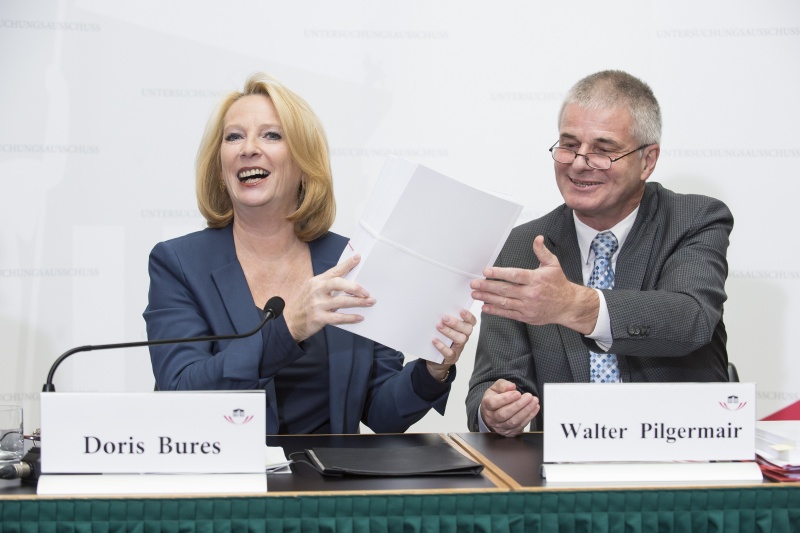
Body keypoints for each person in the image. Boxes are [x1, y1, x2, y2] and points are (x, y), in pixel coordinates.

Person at [144, 72, 476, 434]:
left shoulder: (351, 261)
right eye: (234, 136)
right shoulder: (179, 263)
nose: (248, 148)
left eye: (271, 135)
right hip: (230, 468)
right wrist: (288, 329)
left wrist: (432, 370)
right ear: (220, 167)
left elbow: (381, 412)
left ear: (304, 163)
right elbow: (182, 390)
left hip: (328, 470)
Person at [466, 70, 733, 436]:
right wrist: (494, 410)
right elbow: (494, 380)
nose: (579, 162)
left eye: (603, 151)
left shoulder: (693, 219)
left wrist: (574, 305)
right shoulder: (522, 245)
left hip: (682, 447)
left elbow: (692, 318)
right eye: (569, 145)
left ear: (647, 160)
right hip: (566, 459)